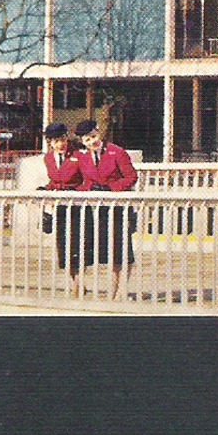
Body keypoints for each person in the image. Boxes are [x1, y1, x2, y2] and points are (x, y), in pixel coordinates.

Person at [71, 118, 138, 299]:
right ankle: (102, 289)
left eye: (94, 136)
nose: (93, 141)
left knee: (121, 249)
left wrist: (112, 188)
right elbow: (81, 181)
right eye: (87, 139)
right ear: (82, 142)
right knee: (100, 249)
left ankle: (121, 290)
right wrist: (89, 189)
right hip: (96, 209)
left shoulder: (117, 152)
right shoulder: (82, 157)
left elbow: (131, 177)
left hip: (118, 207)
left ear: (99, 133)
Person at [37, 122, 83, 286]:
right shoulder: (48, 158)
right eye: (56, 141)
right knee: (63, 244)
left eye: (63, 139)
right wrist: (46, 189)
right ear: (50, 142)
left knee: (77, 243)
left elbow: (86, 178)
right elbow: (55, 180)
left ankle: (78, 282)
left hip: (78, 205)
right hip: (60, 205)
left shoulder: (78, 155)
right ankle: (75, 282)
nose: (61, 144)